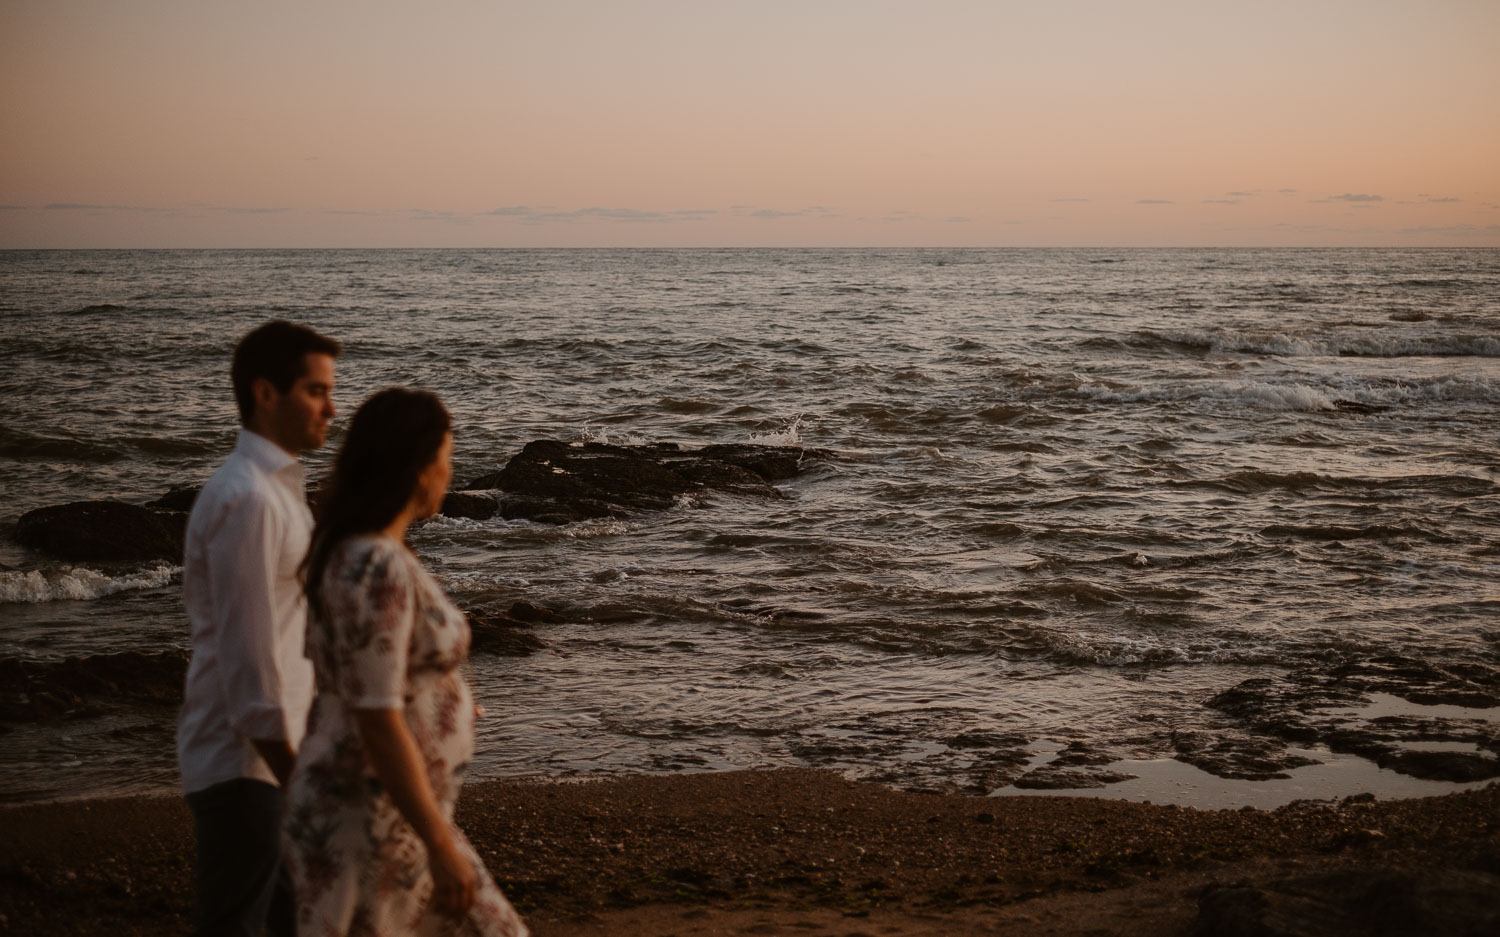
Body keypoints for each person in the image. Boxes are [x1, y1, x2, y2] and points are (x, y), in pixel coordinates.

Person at [284, 388, 527, 937]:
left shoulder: (356, 551)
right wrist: (440, 844)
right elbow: (375, 715)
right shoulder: (375, 564)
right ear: (417, 467)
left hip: (385, 811)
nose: (452, 468)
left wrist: (449, 702)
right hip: (366, 818)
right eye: (447, 454)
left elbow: (375, 676)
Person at [177, 320, 341, 937]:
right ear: (266, 393)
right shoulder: (250, 500)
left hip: (263, 764)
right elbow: (251, 660)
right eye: (315, 390)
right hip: (247, 767)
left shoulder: (274, 493)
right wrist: (298, 779)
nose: (332, 406)